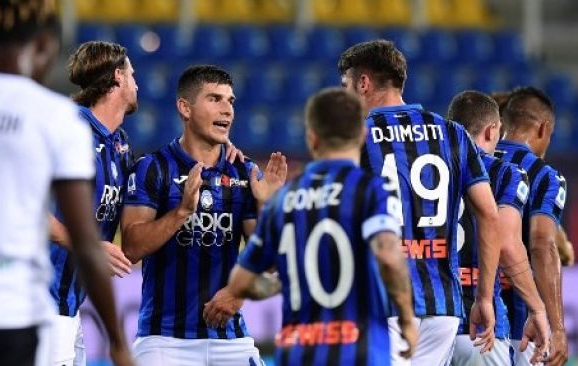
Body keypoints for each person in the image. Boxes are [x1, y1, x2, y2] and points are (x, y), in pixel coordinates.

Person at [0, 1, 132, 366]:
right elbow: (85, 241)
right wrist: (117, 339)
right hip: (14, 310)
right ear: (42, 46)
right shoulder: (54, 118)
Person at [337, 40, 501, 365]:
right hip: (444, 306)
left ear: (364, 82)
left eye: (346, 86)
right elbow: (489, 215)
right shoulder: (454, 134)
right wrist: (484, 296)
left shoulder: (355, 136)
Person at [228, 87, 417, 365]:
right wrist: (407, 319)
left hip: (298, 353)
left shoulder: (283, 199)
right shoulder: (371, 189)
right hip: (360, 350)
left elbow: (240, 282)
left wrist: (281, 284)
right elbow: (388, 256)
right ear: (363, 136)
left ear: (312, 138)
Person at [121, 65, 287, 366]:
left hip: (231, 338)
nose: (227, 110)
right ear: (185, 108)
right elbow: (131, 248)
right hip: (163, 341)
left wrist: (267, 205)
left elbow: (273, 262)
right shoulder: (153, 168)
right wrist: (182, 212)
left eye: (230, 101)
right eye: (214, 99)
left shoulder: (245, 172)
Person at [47, 40, 137, 366]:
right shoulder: (67, 128)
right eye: (132, 75)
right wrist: (90, 247)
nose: (136, 83)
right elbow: (29, 210)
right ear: (117, 78)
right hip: (42, 305)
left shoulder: (119, 145)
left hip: (71, 308)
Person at [447, 90, 550, 365]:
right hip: (482, 328)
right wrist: (537, 308)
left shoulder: (428, 168)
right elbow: (507, 244)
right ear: (493, 130)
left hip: (431, 316)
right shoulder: (507, 173)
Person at [495, 87, 568, 366]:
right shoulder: (545, 176)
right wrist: (557, 327)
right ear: (543, 128)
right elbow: (541, 246)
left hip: (460, 317)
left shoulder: (471, 160)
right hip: (518, 327)